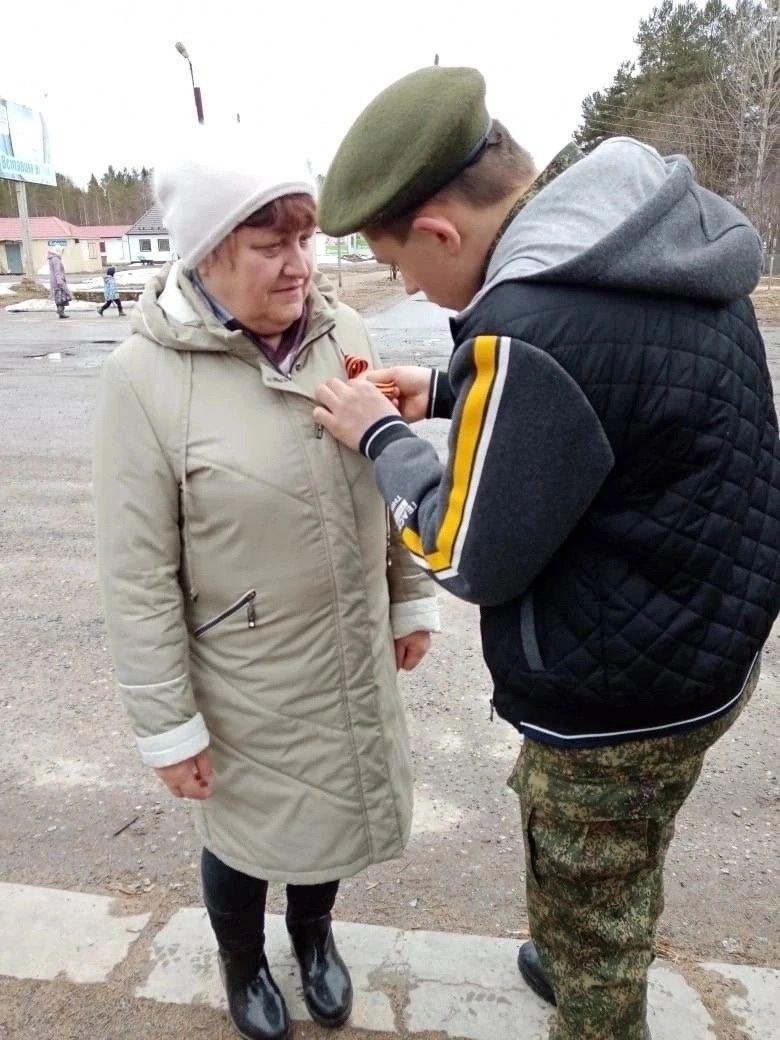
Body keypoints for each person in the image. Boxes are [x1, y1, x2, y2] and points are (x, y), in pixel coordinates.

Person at [313, 66, 780, 1040]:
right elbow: (623, 391)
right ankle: (581, 934)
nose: (407, 287)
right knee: (624, 848)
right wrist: (451, 387)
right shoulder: (645, 239)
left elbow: (465, 553)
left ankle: (590, 975)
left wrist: (380, 436)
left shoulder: (533, 322)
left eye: (399, 264)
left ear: (440, 231)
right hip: (704, 647)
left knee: (595, 900)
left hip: (616, 698)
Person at [93, 137, 439, 1040]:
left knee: (331, 812)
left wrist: (408, 595)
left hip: (347, 646)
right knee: (246, 835)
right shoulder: (143, 379)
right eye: (269, 245)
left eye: (305, 240)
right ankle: (243, 961)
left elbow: (384, 471)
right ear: (208, 253)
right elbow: (136, 572)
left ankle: (313, 937)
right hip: (241, 675)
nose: (299, 266)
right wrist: (167, 725)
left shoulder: (344, 334)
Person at [47, 247, 71, 318]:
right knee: (62, 297)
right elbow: (57, 272)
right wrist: (60, 281)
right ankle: (60, 311)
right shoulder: (56, 259)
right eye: (61, 251)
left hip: (54, 280)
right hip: (58, 281)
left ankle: (61, 313)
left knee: (58, 296)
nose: (62, 253)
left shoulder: (52, 258)